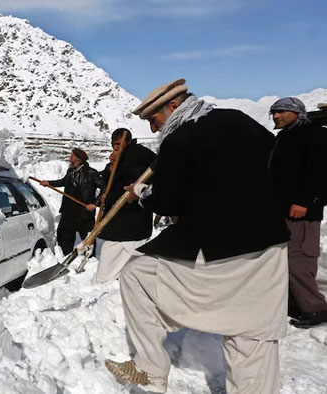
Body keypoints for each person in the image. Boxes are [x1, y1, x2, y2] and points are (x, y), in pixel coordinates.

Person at [104, 79, 290, 394]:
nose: (153, 129)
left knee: (136, 275)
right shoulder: (241, 121)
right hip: (267, 245)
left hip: (217, 253)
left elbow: (167, 203)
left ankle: (150, 368)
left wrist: (141, 192)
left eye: (154, 119)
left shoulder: (179, 139)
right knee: (251, 339)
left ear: (174, 106)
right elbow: (277, 170)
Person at [268, 97, 327, 328]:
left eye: (282, 111)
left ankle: (316, 308)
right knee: (285, 259)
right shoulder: (285, 136)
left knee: (300, 259)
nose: (276, 116)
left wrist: (306, 201)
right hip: (283, 209)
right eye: (273, 112)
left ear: (297, 113)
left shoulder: (316, 136)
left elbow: (321, 173)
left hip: (303, 212)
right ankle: (296, 303)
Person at [93, 128, 156, 283]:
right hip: (121, 224)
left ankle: (105, 286)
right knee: (121, 267)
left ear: (129, 142)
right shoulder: (122, 156)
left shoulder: (138, 156)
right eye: (113, 144)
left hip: (130, 222)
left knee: (118, 270)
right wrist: (110, 167)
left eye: (119, 144)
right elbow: (110, 180)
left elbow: (134, 186)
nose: (115, 148)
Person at [40, 147, 103, 254]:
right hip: (69, 212)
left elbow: (105, 188)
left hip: (84, 213)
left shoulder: (91, 173)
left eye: (71, 157)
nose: (70, 159)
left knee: (88, 240)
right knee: (65, 239)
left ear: (78, 160)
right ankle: (65, 258)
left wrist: (95, 204)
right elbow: (63, 182)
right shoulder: (71, 171)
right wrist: (49, 183)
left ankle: (89, 263)